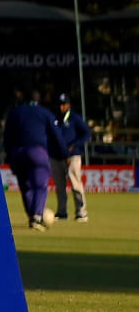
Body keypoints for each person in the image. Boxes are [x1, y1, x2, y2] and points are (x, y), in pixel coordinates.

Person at [4, 90, 63, 230]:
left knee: (26, 187)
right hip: (37, 152)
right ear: (39, 100)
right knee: (40, 186)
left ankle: (32, 215)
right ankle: (36, 216)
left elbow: (7, 136)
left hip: (17, 153)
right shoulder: (44, 113)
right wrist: (64, 153)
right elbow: (56, 135)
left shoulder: (15, 112)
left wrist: (9, 155)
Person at [53, 93, 89, 222]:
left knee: (75, 183)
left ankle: (81, 212)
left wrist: (75, 145)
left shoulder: (75, 118)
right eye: (60, 104)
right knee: (60, 186)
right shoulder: (55, 118)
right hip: (57, 156)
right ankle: (62, 212)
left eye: (64, 104)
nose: (62, 107)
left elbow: (87, 133)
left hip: (73, 155)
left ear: (69, 105)